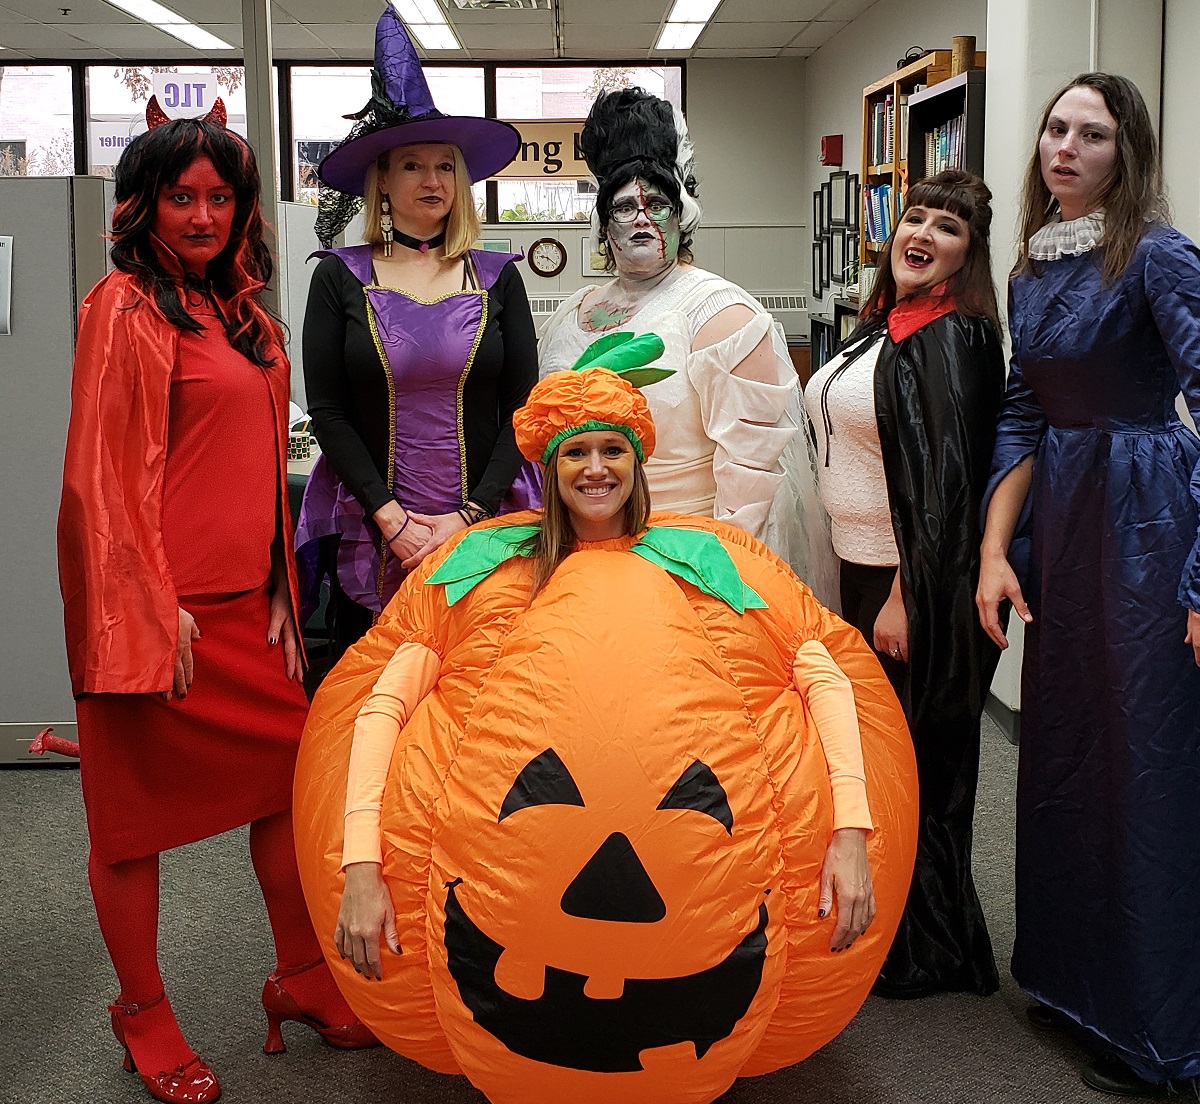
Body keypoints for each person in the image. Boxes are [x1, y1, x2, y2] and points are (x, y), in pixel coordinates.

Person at [290, 336, 920, 1103]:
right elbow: (378, 709)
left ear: (638, 462)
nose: (596, 468)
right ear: (548, 471)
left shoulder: (718, 566)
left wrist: (851, 837)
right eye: (575, 452)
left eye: (612, 450)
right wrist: (361, 865)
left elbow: (825, 680)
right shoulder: (481, 572)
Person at [56, 102, 375, 1104]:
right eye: (179, 196)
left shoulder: (248, 320)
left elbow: (246, 469)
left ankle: (301, 974)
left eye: (219, 196)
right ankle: (142, 1013)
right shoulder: (122, 308)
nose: (201, 216)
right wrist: (149, 605)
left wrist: (284, 589)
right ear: (141, 203)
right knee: (131, 826)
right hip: (156, 622)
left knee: (287, 794)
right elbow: (98, 477)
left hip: (247, 612)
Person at [975, 72, 1200, 1095]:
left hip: (1153, 529)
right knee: (1075, 764)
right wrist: (991, 555)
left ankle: (1173, 1028)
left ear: (1124, 152)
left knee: (1157, 777)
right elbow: (1020, 413)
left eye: (1090, 134)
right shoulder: (1026, 269)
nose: (1064, 146)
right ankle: (1081, 994)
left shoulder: (1154, 256)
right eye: (1055, 128)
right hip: (1068, 536)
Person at [805, 169, 1005, 999]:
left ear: (969, 254)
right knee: (877, 758)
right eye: (915, 217)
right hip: (859, 572)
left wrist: (905, 596)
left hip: (907, 587)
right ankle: (887, 927)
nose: (923, 233)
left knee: (916, 763)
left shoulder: (954, 336)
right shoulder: (887, 326)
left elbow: (948, 489)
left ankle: (928, 951)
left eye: (948, 228)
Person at [296, 4, 540, 668]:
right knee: (374, 693)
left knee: (480, 695)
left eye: (444, 166)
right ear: (382, 181)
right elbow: (330, 412)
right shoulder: (339, 278)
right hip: (374, 527)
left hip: (486, 526)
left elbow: (524, 411)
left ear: (461, 182)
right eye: (411, 165)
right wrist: (390, 518)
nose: (431, 180)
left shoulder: (498, 279)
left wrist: (470, 514)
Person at [537, 87, 837, 605]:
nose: (640, 219)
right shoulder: (569, 314)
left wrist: (719, 584)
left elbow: (752, 480)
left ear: (682, 215)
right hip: (575, 558)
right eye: (623, 206)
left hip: (683, 562)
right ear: (602, 223)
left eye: (656, 203)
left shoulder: (723, 315)